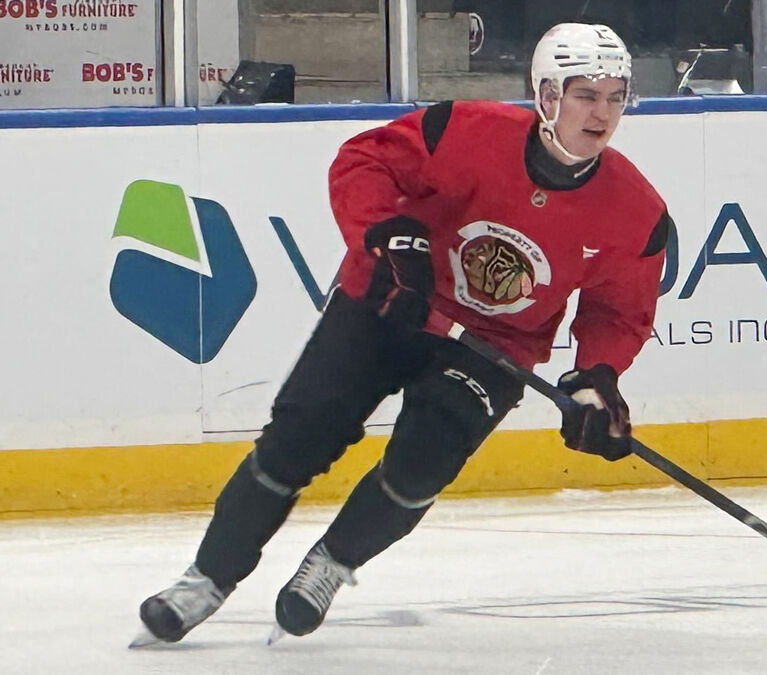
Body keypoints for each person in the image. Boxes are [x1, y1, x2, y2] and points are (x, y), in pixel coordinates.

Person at [132, 22, 672, 646]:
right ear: (547, 95)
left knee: (423, 463)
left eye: (614, 97)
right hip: (388, 300)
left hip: (494, 347)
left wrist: (595, 378)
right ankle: (206, 579)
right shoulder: (463, 130)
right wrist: (389, 232)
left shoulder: (636, 212)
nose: (602, 113)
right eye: (586, 95)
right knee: (299, 437)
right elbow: (364, 161)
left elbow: (617, 314)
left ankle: (332, 561)